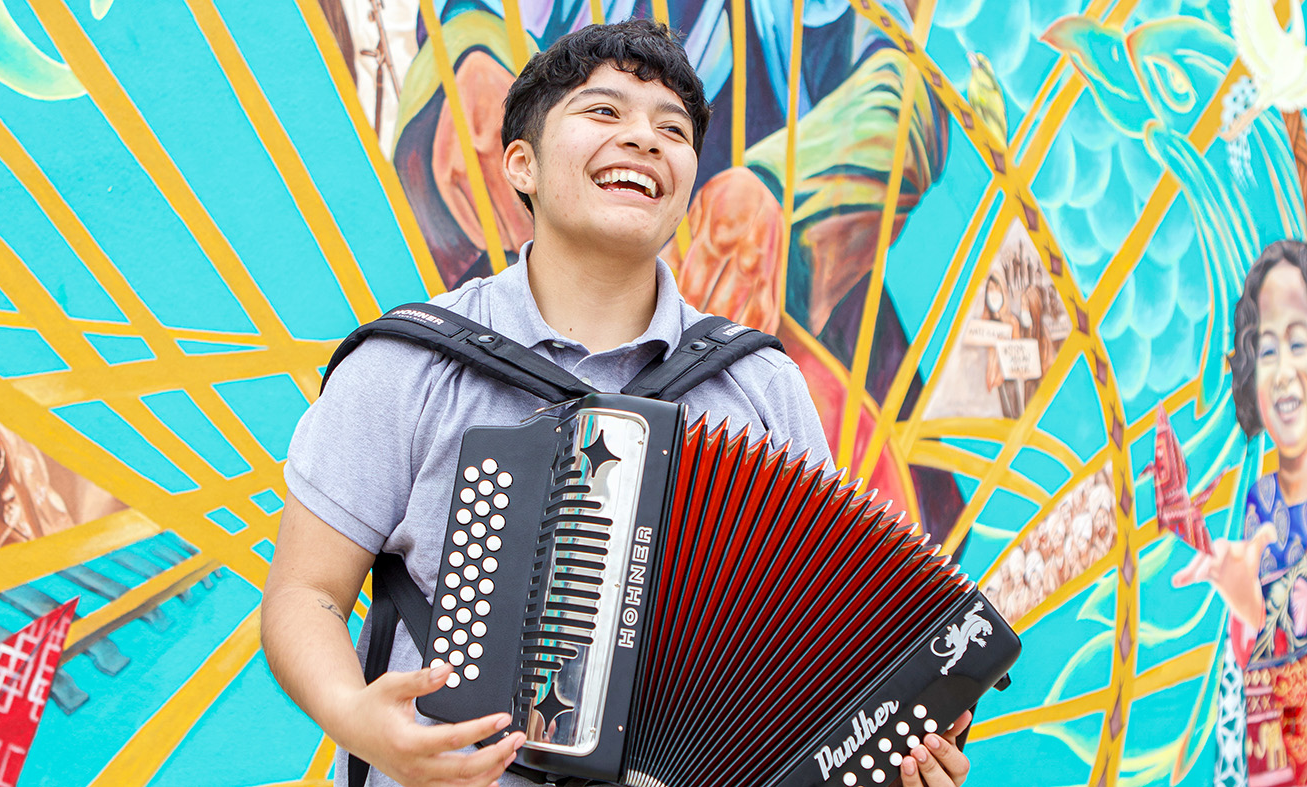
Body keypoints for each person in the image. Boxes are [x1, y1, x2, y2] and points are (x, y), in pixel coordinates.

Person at [262, 20, 973, 787]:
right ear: (521, 164)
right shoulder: (407, 364)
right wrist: (354, 712)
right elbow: (306, 593)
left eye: (672, 129)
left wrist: (889, 753)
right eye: (603, 112)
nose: (643, 138)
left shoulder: (762, 385)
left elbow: (817, 645)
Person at [1175, 239, 1307, 782]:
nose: (1283, 372)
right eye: (1267, 348)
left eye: (1299, 344)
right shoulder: (1255, 507)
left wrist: (1256, 614)